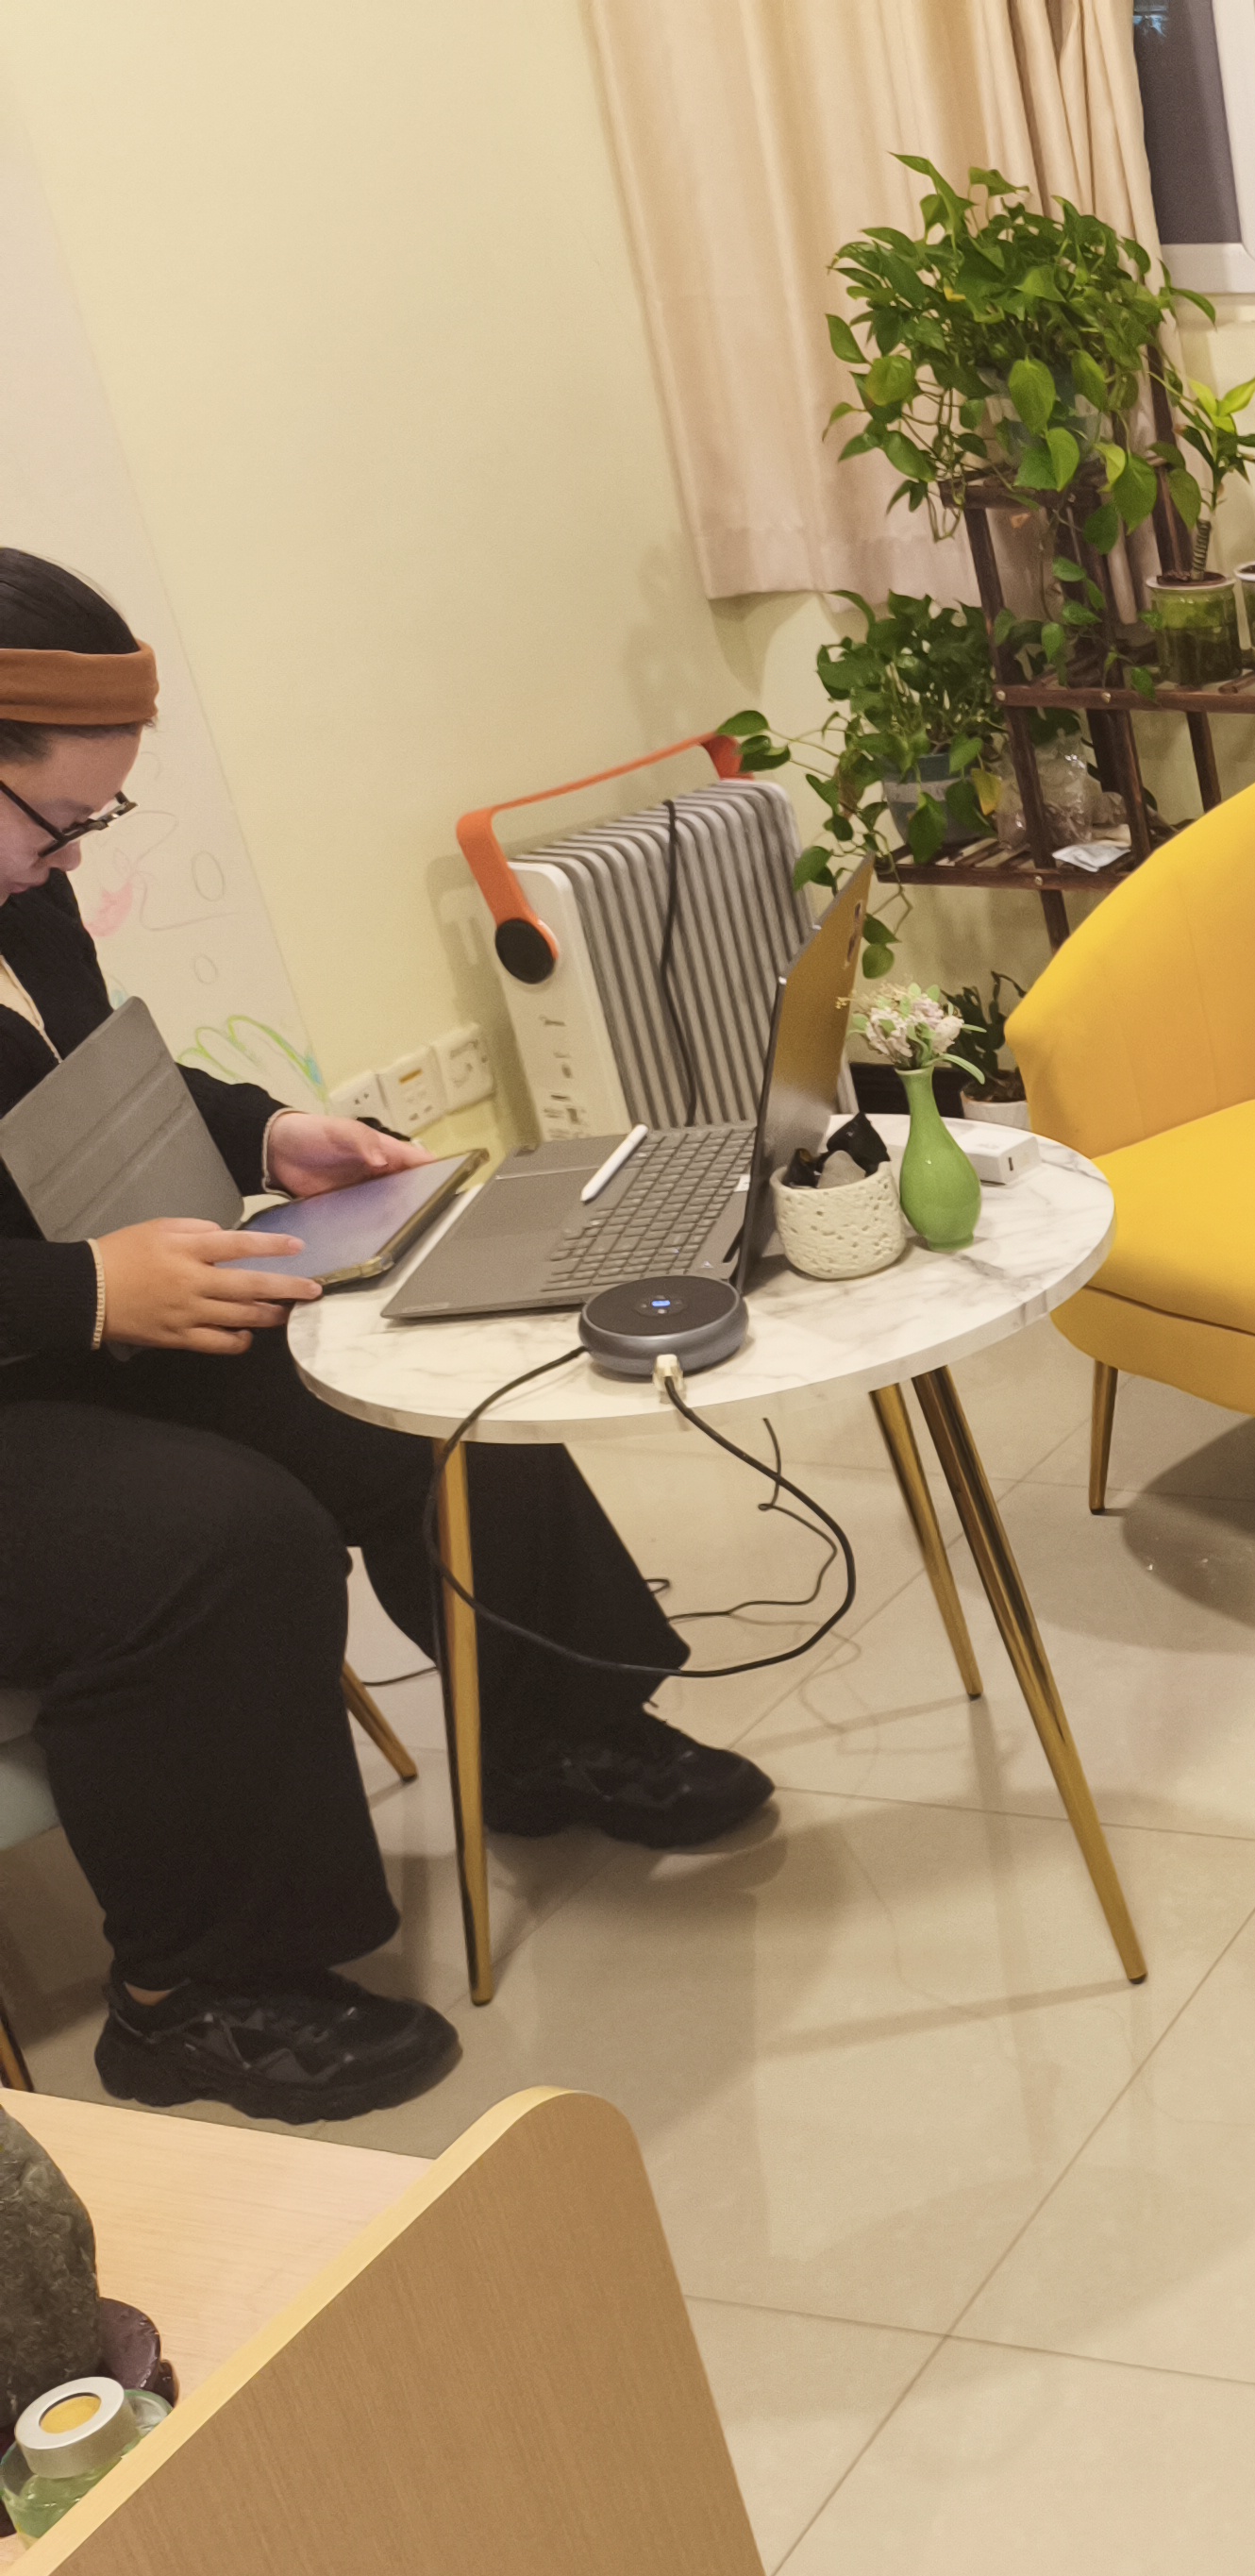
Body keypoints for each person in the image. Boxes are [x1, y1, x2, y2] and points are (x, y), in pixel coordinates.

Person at [0, 550, 773, 2122]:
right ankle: (189, 1996)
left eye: (95, 823)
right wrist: (80, 1295)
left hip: (66, 1317)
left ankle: (552, 1732)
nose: (70, 860)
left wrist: (264, 1131)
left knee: (425, 1369)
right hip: (42, 1338)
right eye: (56, 822)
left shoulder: (24, 889)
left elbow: (82, 1096)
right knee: (215, 1535)